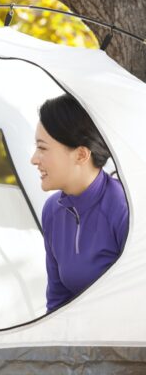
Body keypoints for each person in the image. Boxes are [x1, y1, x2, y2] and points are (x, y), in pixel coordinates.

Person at [30, 93, 129, 312]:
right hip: (83, 339)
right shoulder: (53, 211)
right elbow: (57, 301)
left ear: (81, 155)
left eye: (43, 148)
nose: (34, 159)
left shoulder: (123, 208)